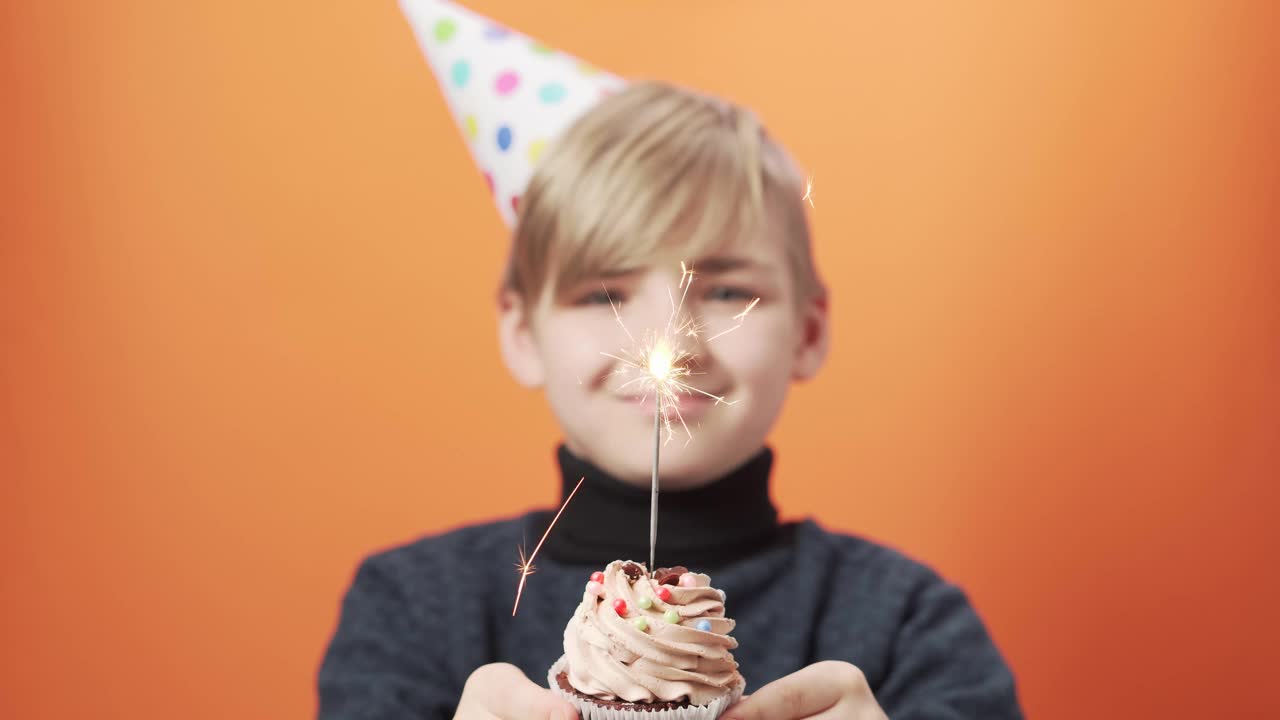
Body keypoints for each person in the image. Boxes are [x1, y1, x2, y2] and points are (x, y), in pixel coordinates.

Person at [320, 3, 1022, 718]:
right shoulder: (411, 608)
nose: (669, 343)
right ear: (523, 333)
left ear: (808, 331)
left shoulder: (910, 624)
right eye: (602, 293)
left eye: (725, 290)